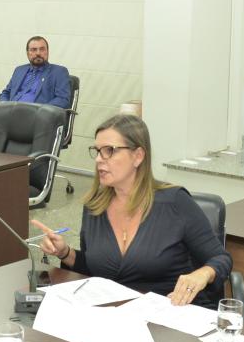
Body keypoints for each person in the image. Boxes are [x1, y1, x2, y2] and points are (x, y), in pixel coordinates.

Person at [33, 114, 232, 308]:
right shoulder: (95, 206)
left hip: (169, 315)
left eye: (109, 150)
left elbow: (221, 259)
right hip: (116, 314)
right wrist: (65, 253)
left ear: (138, 156)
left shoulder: (175, 202)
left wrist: (203, 273)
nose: (99, 160)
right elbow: (95, 267)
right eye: (98, 150)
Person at [0, 36, 71, 108]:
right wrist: (4, 106)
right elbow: (6, 93)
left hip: (38, 116)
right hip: (10, 113)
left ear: (47, 52)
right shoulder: (19, 70)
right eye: (33, 49)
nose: (38, 53)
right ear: (28, 53)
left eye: (42, 49)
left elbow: (63, 99)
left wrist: (41, 111)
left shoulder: (59, 72)